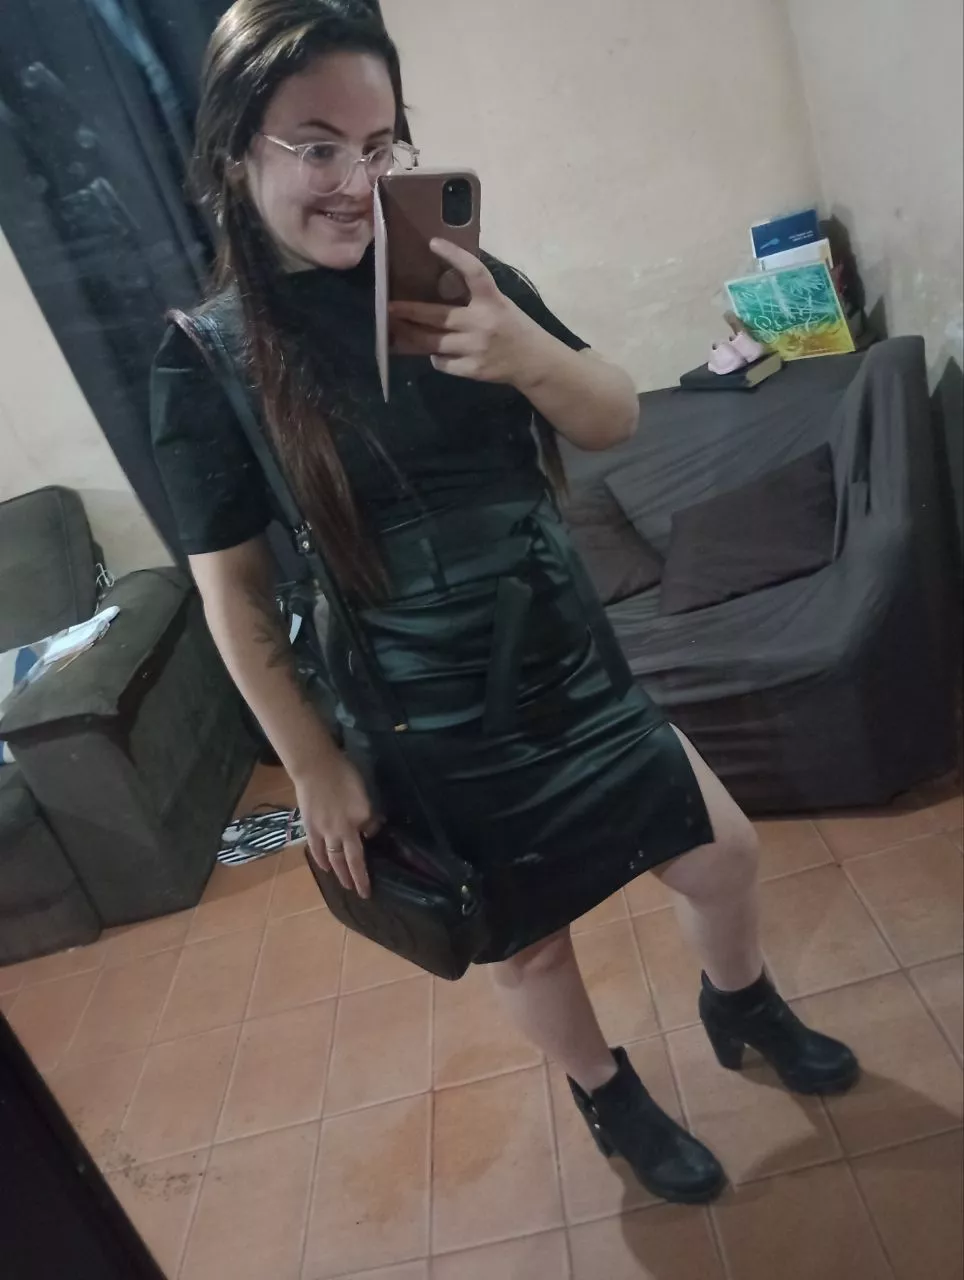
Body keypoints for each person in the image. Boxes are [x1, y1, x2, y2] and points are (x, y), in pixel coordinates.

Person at [151, 0, 858, 1205]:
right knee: (526, 943)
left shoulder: (465, 279)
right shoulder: (208, 360)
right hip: (423, 720)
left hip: (568, 662)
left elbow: (612, 415)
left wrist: (519, 348)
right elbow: (235, 593)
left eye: (380, 145)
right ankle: (607, 1092)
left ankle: (739, 1001)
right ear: (233, 150)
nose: (357, 182)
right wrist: (313, 763)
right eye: (316, 145)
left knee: (722, 852)